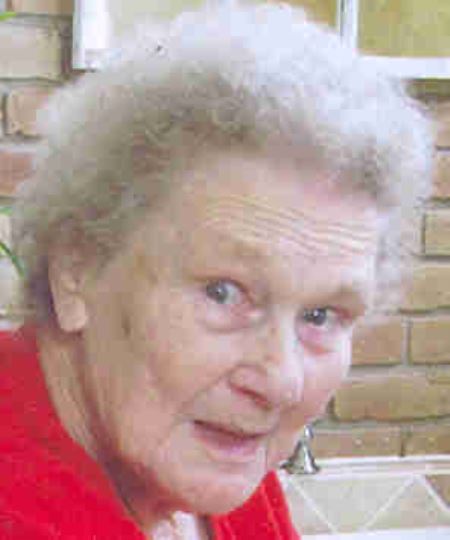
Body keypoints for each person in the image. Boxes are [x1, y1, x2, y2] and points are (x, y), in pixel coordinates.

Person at [0, 2, 432, 539]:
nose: (281, 381)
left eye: (320, 315)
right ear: (76, 270)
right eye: (223, 293)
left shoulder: (204, 449)